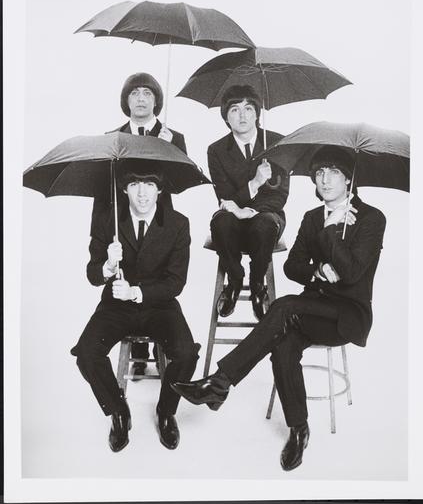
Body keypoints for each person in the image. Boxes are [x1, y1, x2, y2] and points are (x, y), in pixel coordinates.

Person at [172, 145, 386, 471]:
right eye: (319, 172)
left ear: (348, 180)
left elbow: (353, 273)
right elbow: (292, 267)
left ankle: (219, 383)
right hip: (312, 309)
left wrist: (332, 231)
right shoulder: (312, 217)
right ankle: (299, 430)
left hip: (347, 315)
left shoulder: (371, 217)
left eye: (334, 173)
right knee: (283, 347)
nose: (325, 179)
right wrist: (317, 270)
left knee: (284, 307)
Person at [71, 161, 200, 452]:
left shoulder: (178, 223)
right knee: (87, 353)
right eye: (134, 185)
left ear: (160, 189)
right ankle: (118, 411)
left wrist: (137, 292)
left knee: (186, 354)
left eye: (149, 185)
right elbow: (92, 275)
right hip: (116, 306)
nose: (142, 193)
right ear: (124, 189)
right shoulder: (108, 220)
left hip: (159, 305)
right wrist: (107, 265)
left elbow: (176, 282)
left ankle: (166, 412)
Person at [97, 72, 188, 378]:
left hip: (158, 224)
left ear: (156, 101)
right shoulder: (112, 138)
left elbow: (179, 183)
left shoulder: (173, 137)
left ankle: (159, 337)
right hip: (122, 224)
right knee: (126, 279)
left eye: (147, 93)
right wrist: (100, 232)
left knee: (155, 281)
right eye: (134, 93)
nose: (140, 98)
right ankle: (136, 349)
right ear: (126, 100)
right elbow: (104, 191)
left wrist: (169, 150)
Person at [207, 85, 290, 320]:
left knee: (264, 224)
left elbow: (279, 195)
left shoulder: (277, 143)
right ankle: (234, 280)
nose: (242, 115)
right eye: (234, 109)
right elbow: (224, 196)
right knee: (220, 222)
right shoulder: (216, 150)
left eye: (248, 108)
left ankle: (257, 284)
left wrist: (250, 211)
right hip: (232, 220)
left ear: (257, 113)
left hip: (266, 217)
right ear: (226, 117)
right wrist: (254, 183)